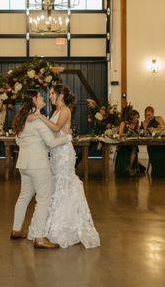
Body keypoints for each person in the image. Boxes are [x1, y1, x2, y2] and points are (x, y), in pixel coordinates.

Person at [31, 84, 100, 249]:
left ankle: (63, 227)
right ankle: (48, 225)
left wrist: (40, 117)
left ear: (61, 95)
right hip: (55, 152)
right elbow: (52, 133)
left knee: (64, 185)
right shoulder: (55, 111)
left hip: (63, 154)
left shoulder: (65, 110)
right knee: (55, 187)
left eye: (53, 93)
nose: (50, 97)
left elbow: (56, 128)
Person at [10, 89, 72, 249]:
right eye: (39, 96)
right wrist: (68, 138)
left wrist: (31, 144)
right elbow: (51, 143)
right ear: (33, 100)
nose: (43, 98)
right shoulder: (37, 120)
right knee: (44, 199)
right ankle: (39, 238)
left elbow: (17, 140)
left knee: (23, 197)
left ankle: (16, 230)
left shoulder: (23, 119)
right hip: (38, 165)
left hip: (24, 164)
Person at [143, 106, 165, 178]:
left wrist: (156, 129)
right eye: (146, 115)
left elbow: (164, 129)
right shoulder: (145, 122)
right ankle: (159, 172)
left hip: (161, 141)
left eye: (149, 115)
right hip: (152, 143)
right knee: (155, 151)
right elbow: (145, 132)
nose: (148, 117)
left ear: (153, 113)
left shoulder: (159, 118)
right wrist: (147, 124)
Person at [115, 108, 143, 177]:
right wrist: (127, 134)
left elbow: (138, 133)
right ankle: (124, 168)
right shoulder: (123, 123)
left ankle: (130, 167)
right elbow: (120, 133)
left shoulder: (137, 123)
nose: (137, 118)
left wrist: (136, 133)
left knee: (134, 148)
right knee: (128, 148)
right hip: (123, 143)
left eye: (137, 117)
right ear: (131, 117)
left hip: (132, 142)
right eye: (136, 117)